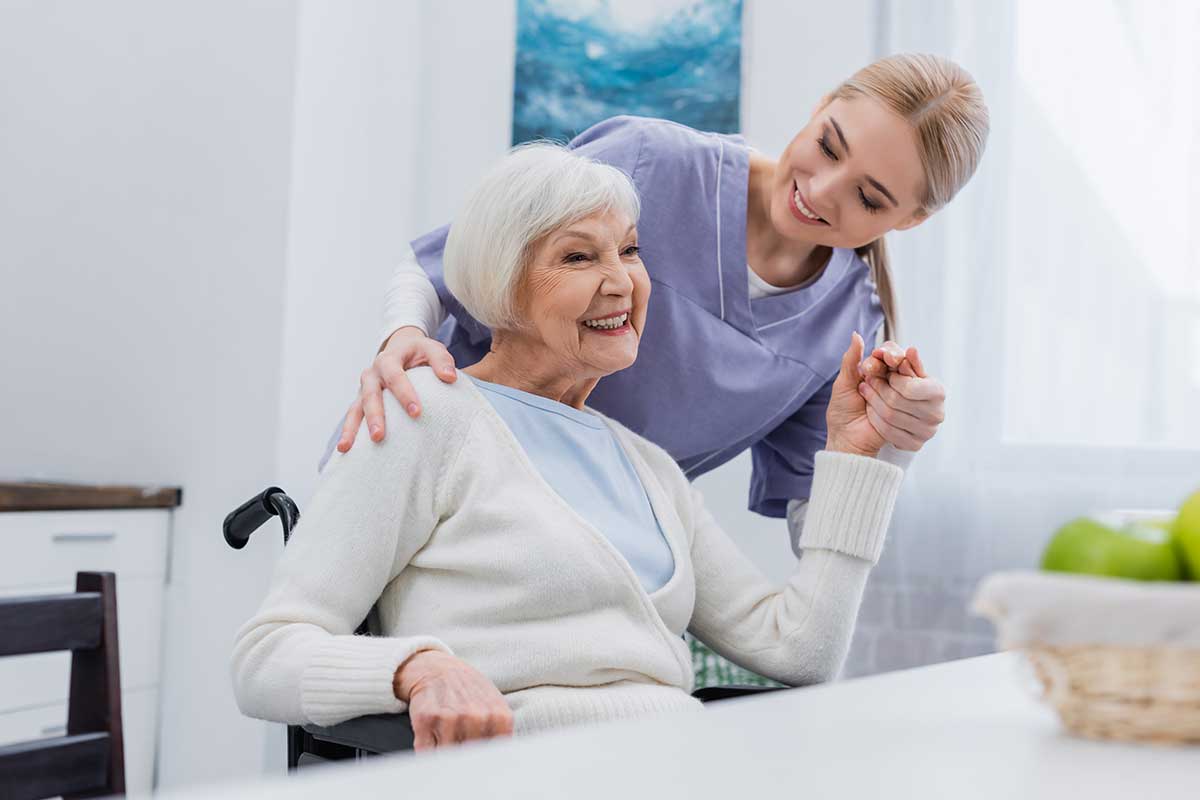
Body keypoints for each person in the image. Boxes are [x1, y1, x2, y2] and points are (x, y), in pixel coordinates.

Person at [233, 144, 906, 750]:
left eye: (632, 250)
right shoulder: (423, 415)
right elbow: (266, 657)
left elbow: (799, 649)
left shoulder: (650, 469)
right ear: (503, 285)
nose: (622, 282)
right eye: (578, 256)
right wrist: (417, 669)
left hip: (677, 766)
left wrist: (861, 455)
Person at [335, 53, 987, 554]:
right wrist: (399, 341)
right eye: (827, 145)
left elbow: (815, 531)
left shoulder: (847, 331)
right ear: (820, 108)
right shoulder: (652, 163)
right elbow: (434, 268)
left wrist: (890, 448)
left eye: (870, 198)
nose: (821, 189)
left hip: (583, 560)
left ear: (912, 220)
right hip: (437, 492)